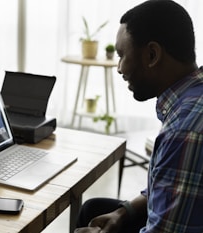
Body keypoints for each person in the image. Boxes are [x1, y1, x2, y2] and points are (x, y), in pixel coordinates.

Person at [74, 0, 203, 232]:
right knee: (93, 209)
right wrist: (124, 213)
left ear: (152, 55)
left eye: (122, 55)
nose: (119, 68)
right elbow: (169, 188)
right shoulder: (193, 96)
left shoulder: (184, 131)